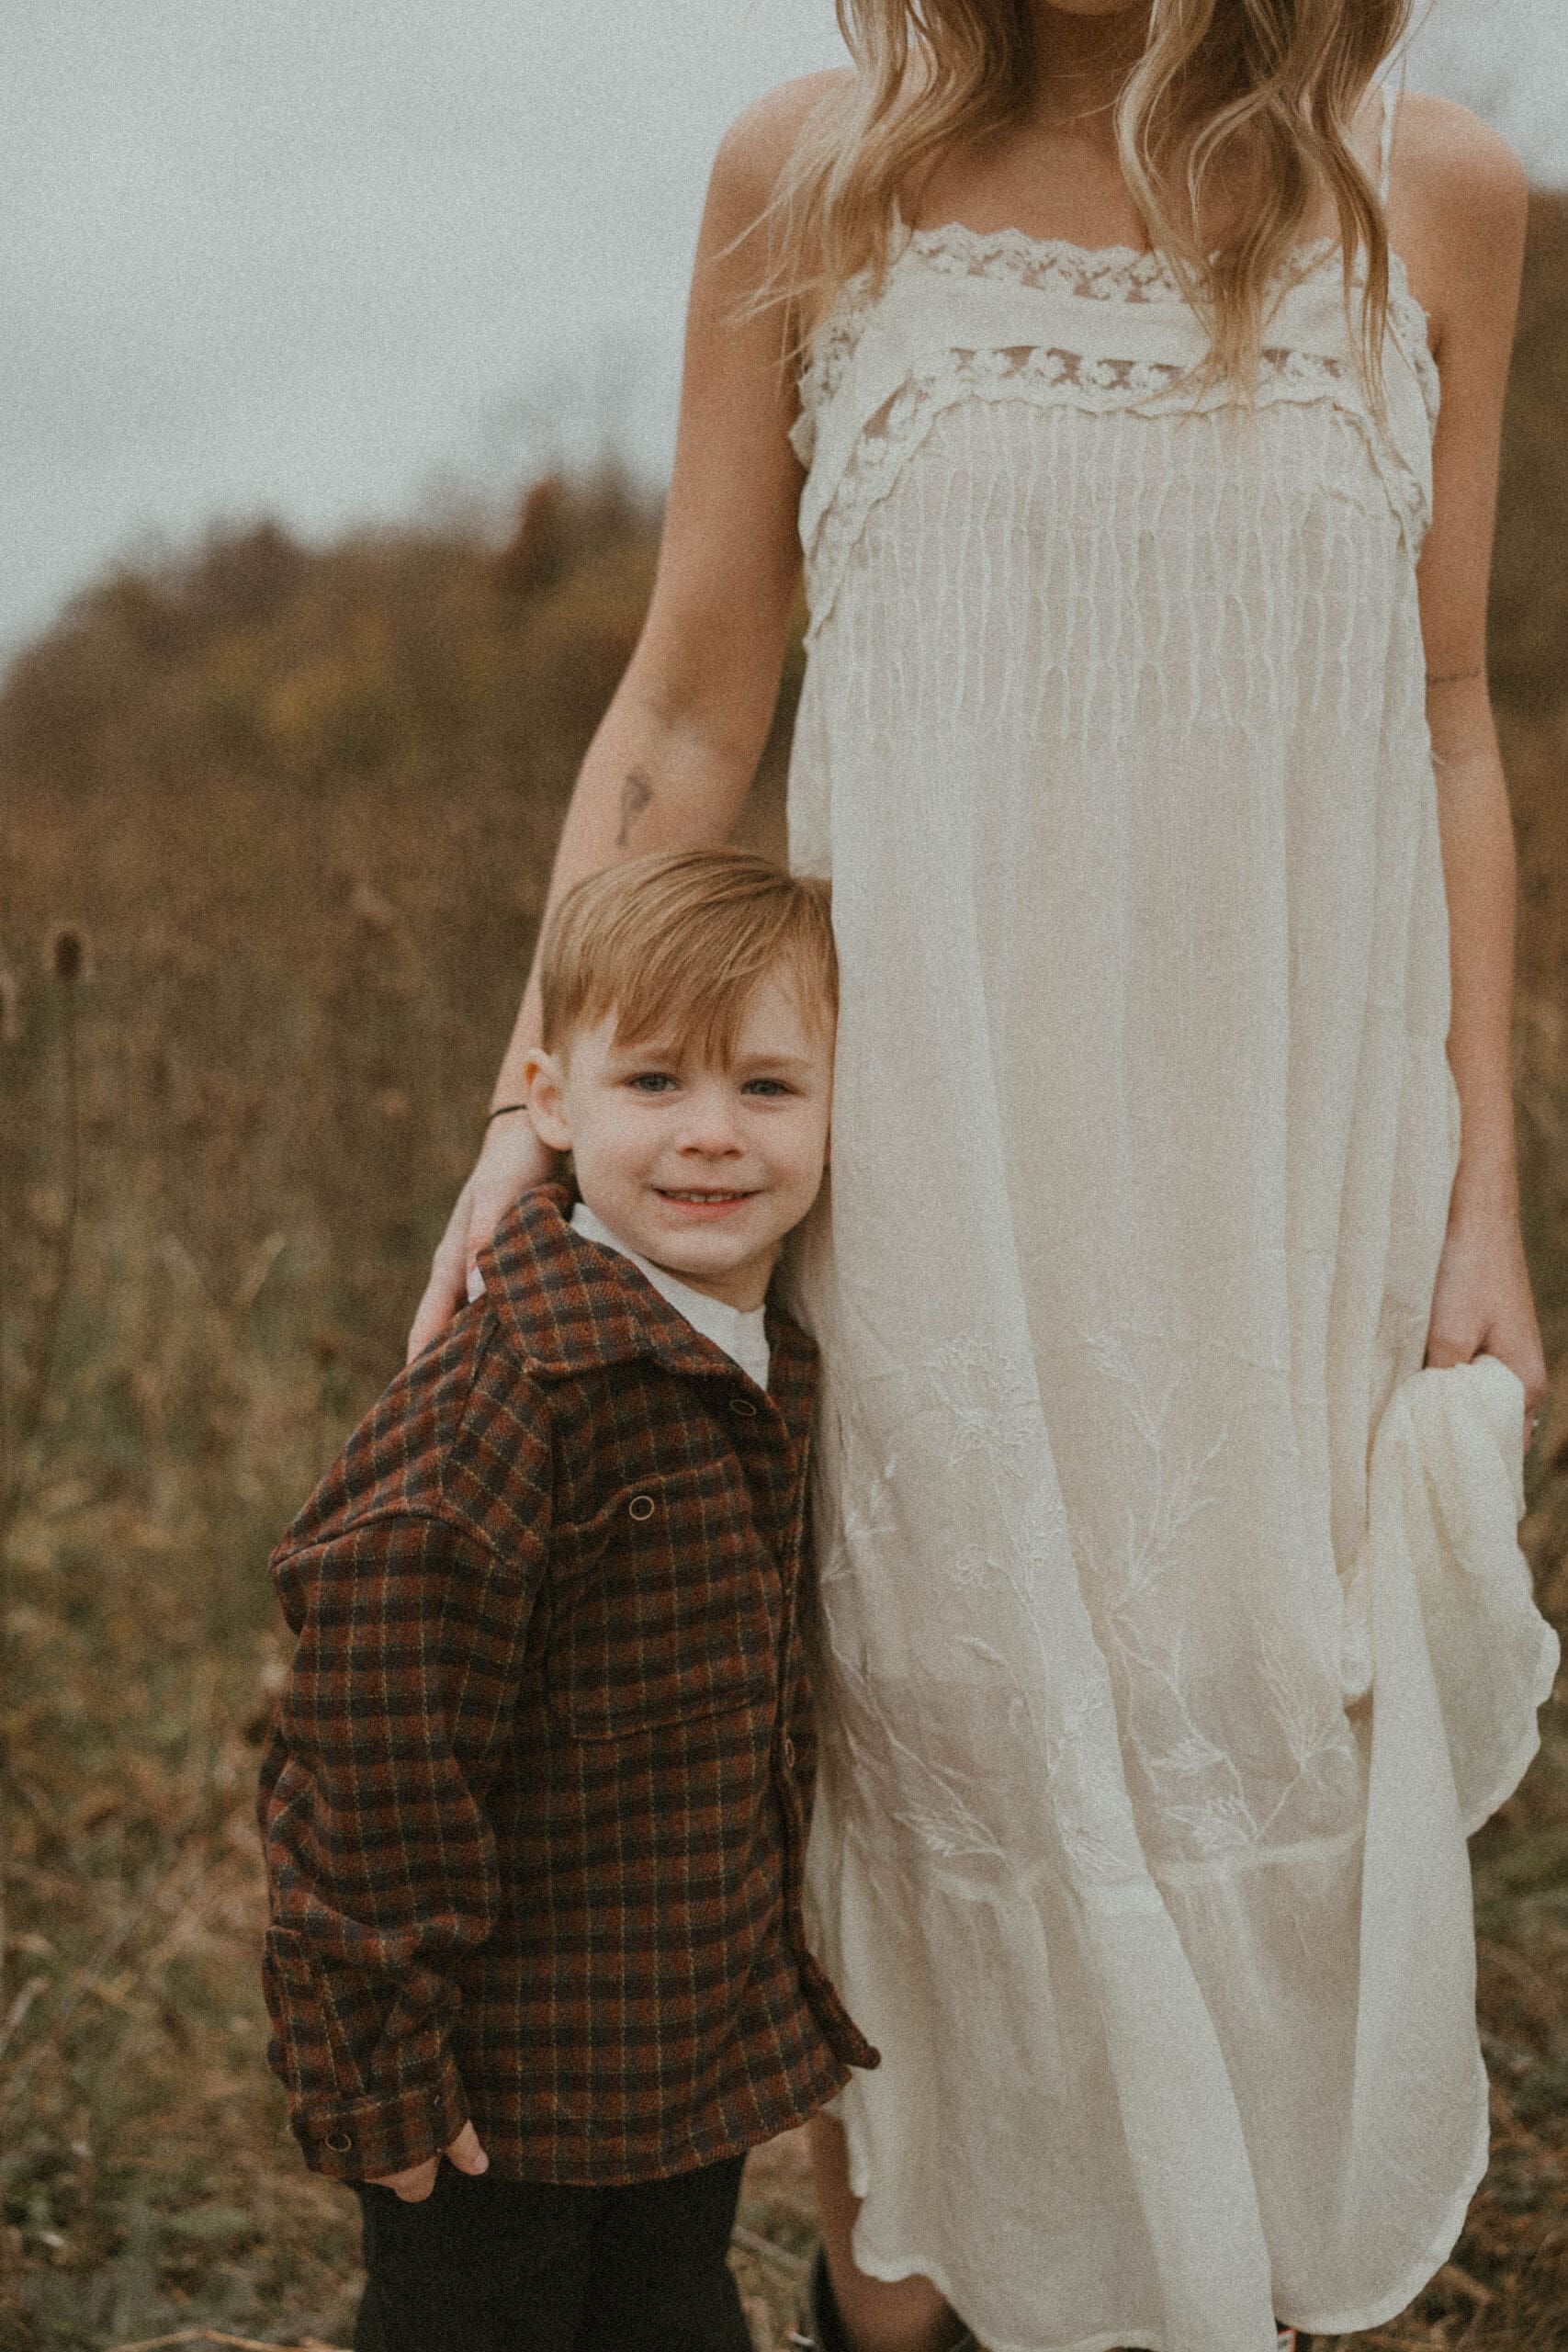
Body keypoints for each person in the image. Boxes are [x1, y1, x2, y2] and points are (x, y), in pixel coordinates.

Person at [408, 6, 1559, 2349]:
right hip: (926, 1183)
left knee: (1270, 1805)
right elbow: (689, 705)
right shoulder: (808, 175)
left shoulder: (1430, 191)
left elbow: (1446, 711)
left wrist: (1484, 1198)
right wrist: (531, 1110)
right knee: (932, 1813)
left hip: (1281, 1187)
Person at [257, 849, 879, 2352]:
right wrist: (379, 2071)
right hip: (500, 2096)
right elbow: (368, 1758)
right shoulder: (509, 1406)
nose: (711, 1133)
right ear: (548, 1100)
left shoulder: (771, 1358)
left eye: (768, 1088)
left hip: (678, 2050)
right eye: (654, 1081)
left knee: (671, 2311)